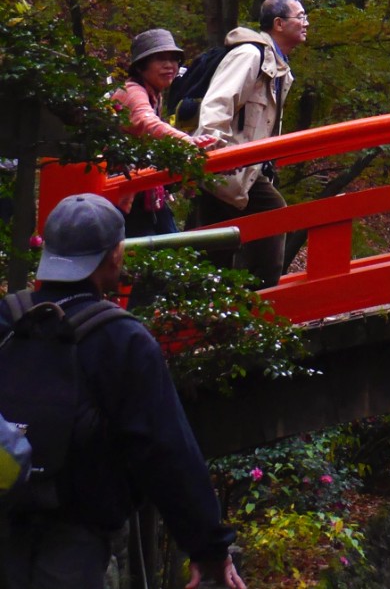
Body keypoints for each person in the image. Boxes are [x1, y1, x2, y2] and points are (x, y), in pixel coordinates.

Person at [0, 194, 243, 589]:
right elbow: (166, 451)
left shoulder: (7, 320)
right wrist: (208, 547)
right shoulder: (121, 339)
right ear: (114, 255)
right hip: (75, 538)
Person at [190, 0, 308, 288]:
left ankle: (206, 309)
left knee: (210, 245)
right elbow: (217, 105)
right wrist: (216, 155)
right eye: (301, 17)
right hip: (228, 163)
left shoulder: (279, 66)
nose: (307, 23)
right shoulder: (250, 56)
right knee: (273, 216)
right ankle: (262, 300)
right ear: (279, 23)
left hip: (245, 167)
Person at [110, 31, 218, 238]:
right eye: (160, 59)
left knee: (167, 243)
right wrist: (188, 142)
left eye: (173, 59)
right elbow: (147, 123)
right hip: (124, 192)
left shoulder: (154, 95)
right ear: (141, 66)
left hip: (142, 189)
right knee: (155, 250)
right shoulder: (133, 92)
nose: (169, 65)